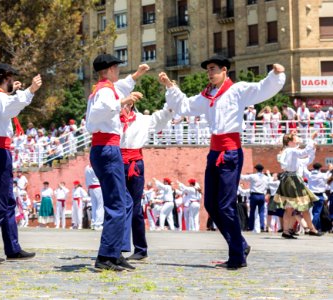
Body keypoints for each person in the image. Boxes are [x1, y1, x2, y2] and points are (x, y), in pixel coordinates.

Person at [160, 55, 286, 269]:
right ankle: (240, 244)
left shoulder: (237, 90)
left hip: (230, 152)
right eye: (208, 69)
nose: (209, 73)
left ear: (224, 70)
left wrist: (276, 74)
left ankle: (237, 256)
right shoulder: (207, 96)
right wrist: (171, 86)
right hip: (214, 151)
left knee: (225, 205)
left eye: (213, 69)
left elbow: (261, 89)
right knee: (210, 203)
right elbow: (185, 106)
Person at [0, 63, 41, 263]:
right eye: (11, 78)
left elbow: (7, 105)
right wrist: (30, 91)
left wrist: (16, 92)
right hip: (0, 152)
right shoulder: (0, 98)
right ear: (6, 78)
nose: (13, 82)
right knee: (1, 204)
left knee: (8, 202)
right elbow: (11, 109)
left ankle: (12, 247)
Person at [86, 54, 141, 272]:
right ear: (109, 69)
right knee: (118, 203)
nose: (118, 70)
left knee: (125, 201)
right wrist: (123, 102)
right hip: (107, 148)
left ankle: (115, 251)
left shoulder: (101, 90)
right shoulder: (105, 91)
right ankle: (106, 255)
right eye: (116, 67)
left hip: (106, 147)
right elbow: (99, 113)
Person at [117, 63, 174, 260]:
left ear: (131, 104)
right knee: (118, 205)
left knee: (134, 206)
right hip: (117, 162)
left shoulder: (142, 120)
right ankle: (117, 247)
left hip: (135, 163)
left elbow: (165, 115)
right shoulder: (112, 120)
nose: (123, 106)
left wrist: (170, 87)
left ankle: (140, 248)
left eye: (126, 103)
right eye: (121, 103)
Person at [274, 132, 322, 238]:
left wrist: (311, 147)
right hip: (293, 179)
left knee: (289, 208)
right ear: (290, 142)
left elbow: (305, 157)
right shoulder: (291, 150)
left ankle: (287, 231)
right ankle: (311, 229)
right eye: (295, 139)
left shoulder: (288, 151)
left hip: (288, 178)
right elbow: (304, 152)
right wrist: (311, 139)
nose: (298, 140)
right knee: (302, 205)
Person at [303, 162, 332, 232]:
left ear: (313, 167)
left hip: (311, 195)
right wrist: (330, 169)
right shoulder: (322, 175)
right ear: (320, 168)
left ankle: (317, 228)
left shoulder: (309, 174)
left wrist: (304, 163)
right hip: (319, 195)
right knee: (317, 213)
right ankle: (313, 228)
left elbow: (304, 170)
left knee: (311, 212)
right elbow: (329, 175)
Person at [240, 164, 269, 232]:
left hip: (254, 195)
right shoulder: (265, 177)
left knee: (252, 211)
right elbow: (267, 186)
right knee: (261, 212)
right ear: (262, 170)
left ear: (256, 169)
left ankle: (251, 226)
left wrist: (238, 171)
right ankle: (262, 226)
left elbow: (243, 178)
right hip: (262, 195)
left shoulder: (253, 176)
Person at [85, 164, 103, 230]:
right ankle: (98, 224)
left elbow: (86, 179)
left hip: (91, 187)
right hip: (98, 186)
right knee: (100, 205)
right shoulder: (97, 165)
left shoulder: (87, 167)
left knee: (94, 205)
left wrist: (88, 188)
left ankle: (93, 222)